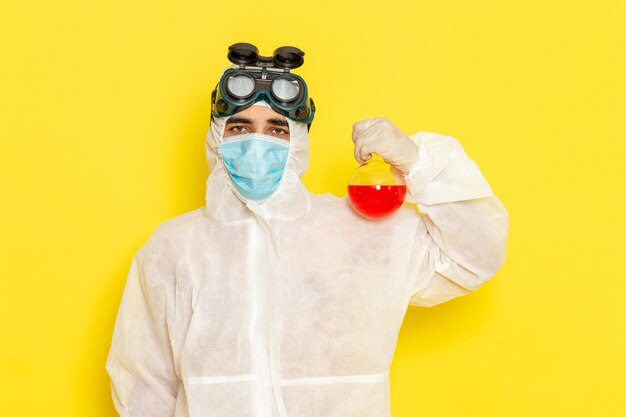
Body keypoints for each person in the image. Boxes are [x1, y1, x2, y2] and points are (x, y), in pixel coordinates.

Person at [106, 43, 508, 417]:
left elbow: (473, 255)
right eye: (241, 128)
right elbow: (144, 382)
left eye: (277, 129)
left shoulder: (362, 233)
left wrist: (418, 162)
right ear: (216, 138)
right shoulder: (175, 247)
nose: (258, 143)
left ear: (298, 140)